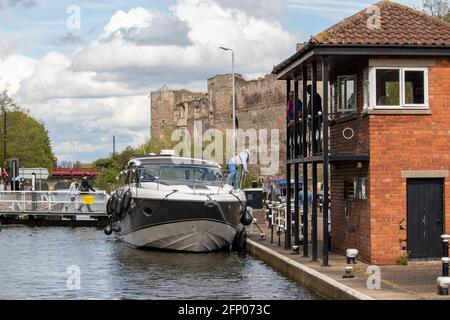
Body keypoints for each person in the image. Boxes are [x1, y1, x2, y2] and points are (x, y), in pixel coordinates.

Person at [286, 91, 303, 159]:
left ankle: (299, 153)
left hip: (297, 123)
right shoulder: (288, 103)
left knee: (298, 139)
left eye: (292, 96)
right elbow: (287, 114)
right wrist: (289, 121)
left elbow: (300, 113)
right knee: (291, 140)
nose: (291, 97)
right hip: (291, 123)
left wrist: (294, 120)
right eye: (290, 96)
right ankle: (293, 153)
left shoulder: (298, 102)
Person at [306, 85, 323, 154]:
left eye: (308, 89)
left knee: (317, 134)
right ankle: (316, 148)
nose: (307, 91)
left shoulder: (315, 96)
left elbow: (315, 107)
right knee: (315, 134)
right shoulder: (313, 96)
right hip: (313, 119)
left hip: (316, 119)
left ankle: (318, 149)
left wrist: (312, 115)